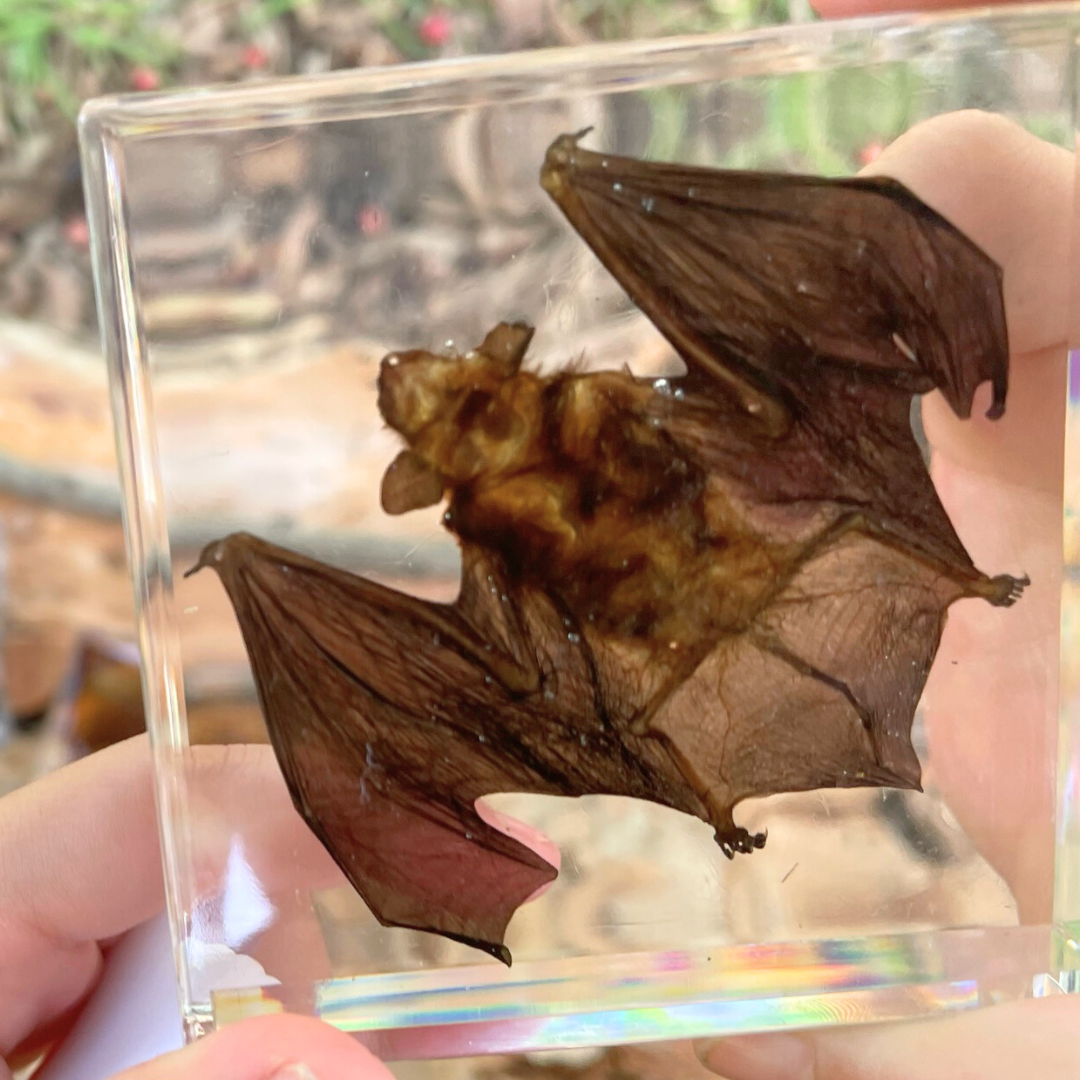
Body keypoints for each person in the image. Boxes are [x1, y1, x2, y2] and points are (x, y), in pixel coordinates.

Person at [3, 48, 1078, 1080]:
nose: (470, 404)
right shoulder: (494, 529)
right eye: (453, 419)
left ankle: (951, 576)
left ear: (502, 366)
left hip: (751, 554)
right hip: (674, 635)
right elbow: (548, 664)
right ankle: (724, 780)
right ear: (433, 473)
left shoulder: (601, 399)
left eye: (466, 385)